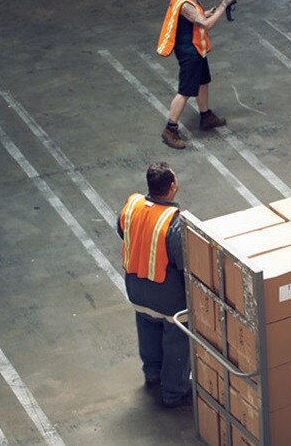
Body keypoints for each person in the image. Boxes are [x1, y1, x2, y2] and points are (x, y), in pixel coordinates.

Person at [117, 162, 190, 407]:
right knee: (177, 339)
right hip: (167, 295)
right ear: (171, 187)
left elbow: (122, 230)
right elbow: (183, 262)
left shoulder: (133, 205)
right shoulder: (174, 221)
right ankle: (174, 391)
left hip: (136, 288)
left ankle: (152, 373)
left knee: (147, 326)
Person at [156, 0, 236, 149]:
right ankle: (170, 128)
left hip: (197, 47)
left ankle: (205, 115)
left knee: (202, 81)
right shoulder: (184, 4)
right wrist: (224, 5)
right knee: (185, 91)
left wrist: (207, 12)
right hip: (189, 51)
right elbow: (205, 24)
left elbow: (198, 16)